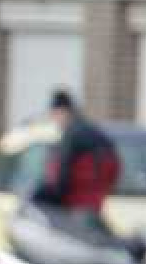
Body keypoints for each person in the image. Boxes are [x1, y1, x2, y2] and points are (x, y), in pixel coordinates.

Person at [34, 88, 121, 222]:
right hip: (93, 204)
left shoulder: (72, 135)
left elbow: (61, 176)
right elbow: (114, 168)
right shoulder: (93, 131)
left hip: (76, 205)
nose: (55, 120)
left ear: (62, 112)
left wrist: (48, 197)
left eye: (54, 115)